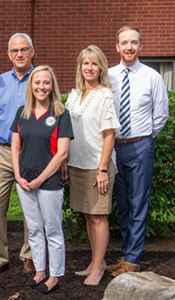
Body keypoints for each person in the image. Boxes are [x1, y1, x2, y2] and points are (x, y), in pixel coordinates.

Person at [107, 26, 169, 277]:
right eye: (124, 43)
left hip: (140, 145)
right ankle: (127, 254)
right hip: (113, 148)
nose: (129, 47)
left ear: (140, 47)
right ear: (117, 47)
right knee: (122, 204)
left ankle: (133, 259)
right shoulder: (108, 75)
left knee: (138, 202)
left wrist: (142, 139)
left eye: (134, 42)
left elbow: (161, 115)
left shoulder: (152, 76)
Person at [11, 66, 73, 294]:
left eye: (46, 83)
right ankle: (39, 272)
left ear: (52, 86)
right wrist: (18, 176)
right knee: (34, 230)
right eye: (37, 82)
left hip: (48, 184)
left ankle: (55, 276)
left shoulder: (61, 113)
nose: (41, 87)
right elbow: (15, 146)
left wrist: (39, 180)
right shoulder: (22, 112)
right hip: (24, 182)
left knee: (53, 231)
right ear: (31, 85)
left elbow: (62, 153)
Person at [62, 45, 121, 286]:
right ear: (80, 66)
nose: (89, 68)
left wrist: (103, 168)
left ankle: (98, 267)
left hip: (98, 166)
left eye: (94, 63)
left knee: (98, 217)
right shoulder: (73, 95)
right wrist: (65, 160)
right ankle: (95, 262)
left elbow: (109, 135)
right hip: (77, 164)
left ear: (101, 68)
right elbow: (66, 131)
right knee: (89, 215)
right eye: (85, 63)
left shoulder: (106, 95)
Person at [0, 33, 35, 274]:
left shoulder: (41, 79)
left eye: (24, 49)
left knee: (31, 207)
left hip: (31, 153)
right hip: (1, 152)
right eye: (15, 51)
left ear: (32, 51)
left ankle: (29, 256)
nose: (19, 54)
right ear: (8, 54)